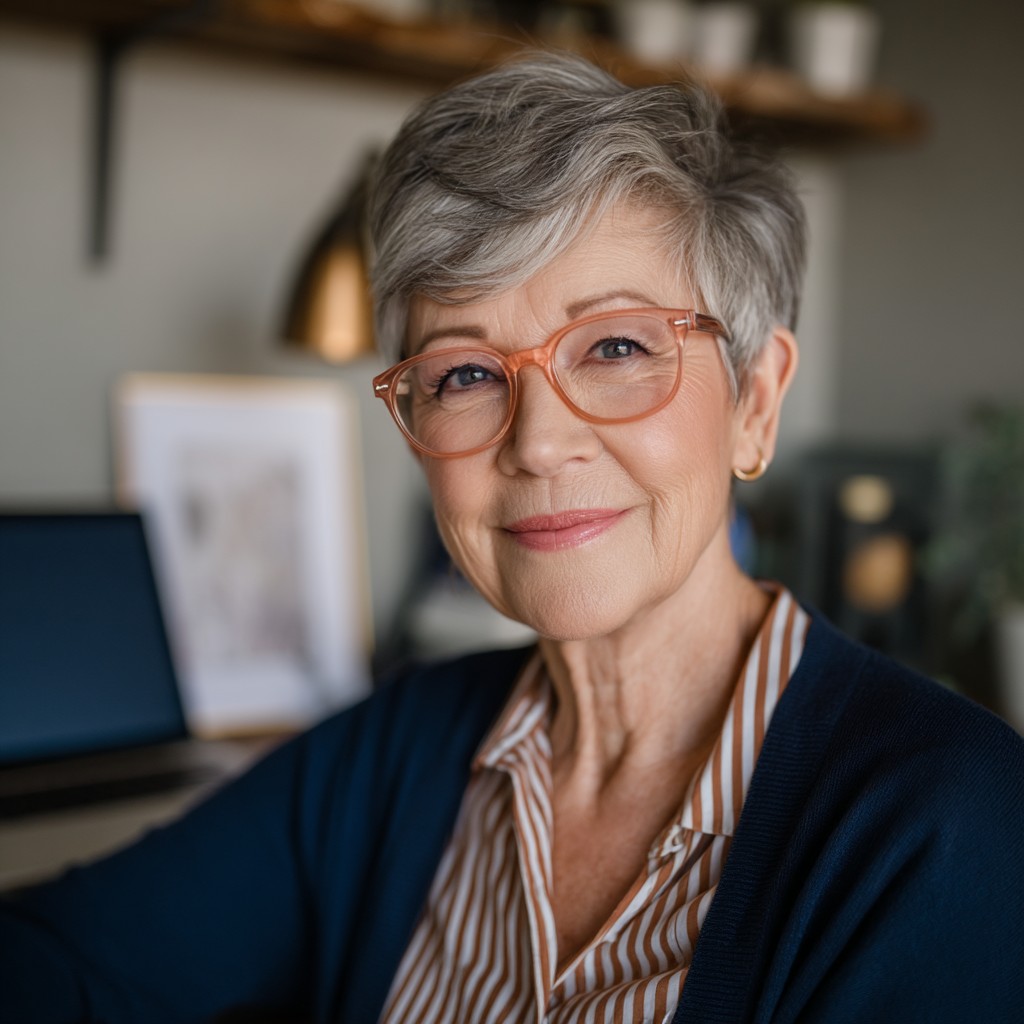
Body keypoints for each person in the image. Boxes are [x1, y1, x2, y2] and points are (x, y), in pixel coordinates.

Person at [2, 52, 1023, 1024]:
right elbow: (62, 960)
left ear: (754, 401)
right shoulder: (393, 753)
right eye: (464, 373)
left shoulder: (948, 827)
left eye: (617, 346)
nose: (536, 442)